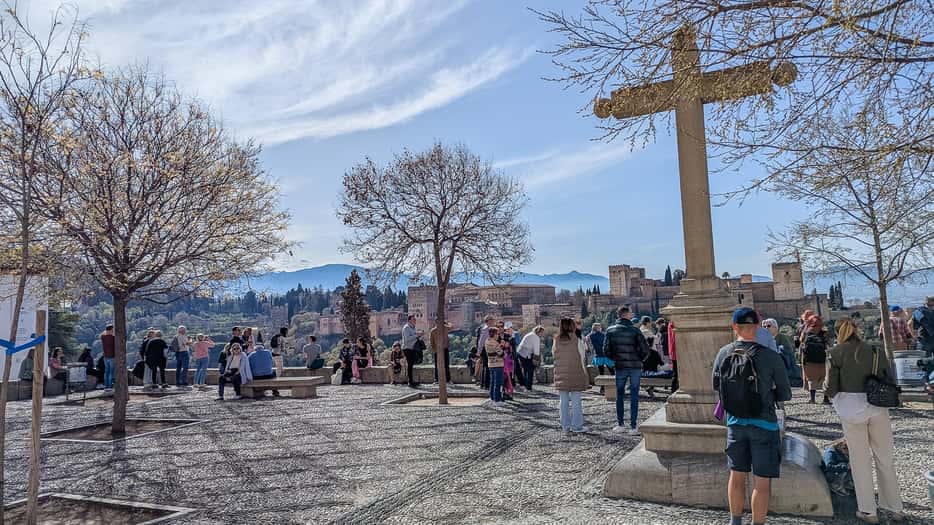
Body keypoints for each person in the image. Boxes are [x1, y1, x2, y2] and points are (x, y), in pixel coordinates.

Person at [712, 307, 792, 525]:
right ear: (757, 327)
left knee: (736, 476)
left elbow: (716, 385)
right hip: (764, 424)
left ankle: (735, 521)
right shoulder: (770, 356)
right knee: (762, 482)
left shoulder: (723, 353)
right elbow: (785, 392)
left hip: (735, 423)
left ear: (734, 327)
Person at [824, 318, 905, 524]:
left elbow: (830, 387)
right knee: (885, 458)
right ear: (857, 330)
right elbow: (889, 377)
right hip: (877, 406)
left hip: (850, 410)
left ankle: (869, 511)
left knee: (859, 460)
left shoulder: (835, 354)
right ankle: (895, 508)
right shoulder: (875, 351)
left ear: (837, 333)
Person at [604, 306, 649, 435]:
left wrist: (616, 358)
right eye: (630, 312)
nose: (632, 314)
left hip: (620, 366)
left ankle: (620, 424)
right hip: (635, 366)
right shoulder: (635, 331)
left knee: (619, 395)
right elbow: (645, 349)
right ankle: (633, 427)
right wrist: (639, 359)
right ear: (626, 315)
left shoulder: (610, 330)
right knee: (634, 395)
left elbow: (606, 350)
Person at [553, 318, 589, 432]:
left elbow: (553, 353)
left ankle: (565, 426)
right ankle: (577, 426)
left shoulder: (556, 339)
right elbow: (583, 356)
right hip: (575, 372)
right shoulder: (577, 339)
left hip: (560, 374)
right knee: (576, 401)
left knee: (563, 401)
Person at [762, 319, 802, 388]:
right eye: (764, 327)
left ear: (775, 327)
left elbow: (787, 351)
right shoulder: (765, 339)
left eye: (768, 326)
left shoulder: (782, 337)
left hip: (783, 364)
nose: (766, 328)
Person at [800, 315, 830, 404]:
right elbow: (828, 344)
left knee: (811, 379)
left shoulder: (806, 332)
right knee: (824, 378)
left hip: (809, 361)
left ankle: (812, 399)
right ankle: (826, 399)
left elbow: (801, 342)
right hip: (822, 360)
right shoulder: (824, 333)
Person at [516, 325, 543, 391]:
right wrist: (538, 361)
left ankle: (526, 385)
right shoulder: (536, 337)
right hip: (525, 354)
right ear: (539, 332)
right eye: (542, 332)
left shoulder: (531, 334)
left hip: (521, 353)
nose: (542, 334)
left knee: (526, 370)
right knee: (530, 370)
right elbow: (536, 351)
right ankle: (528, 387)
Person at [485, 327, 505, 405]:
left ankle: (492, 398)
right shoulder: (495, 343)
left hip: (490, 364)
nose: (498, 335)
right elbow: (502, 354)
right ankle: (497, 400)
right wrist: (502, 346)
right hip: (498, 364)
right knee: (498, 383)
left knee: (492, 382)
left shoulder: (487, 341)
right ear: (494, 334)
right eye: (497, 334)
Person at [476, 315, 495, 388]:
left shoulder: (489, 328)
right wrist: (479, 351)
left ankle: (484, 384)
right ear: (488, 321)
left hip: (488, 349)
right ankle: (486, 384)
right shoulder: (485, 329)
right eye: (491, 320)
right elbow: (481, 341)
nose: (493, 321)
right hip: (485, 349)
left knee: (486, 367)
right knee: (487, 367)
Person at [401, 315, 419, 388]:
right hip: (407, 348)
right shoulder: (406, 328)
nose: (415, 320)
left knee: (411, 364)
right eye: (413, 319)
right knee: (410, 364)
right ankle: (410, 381)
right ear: (409, 320)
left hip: (412, 348)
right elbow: (407, 338)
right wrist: (416, 336)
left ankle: (411, 380)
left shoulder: (413, 327)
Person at [100, 325, 115, 389]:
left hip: (105, 356)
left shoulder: (103, 337)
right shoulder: (113, 337)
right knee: (111, 372)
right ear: (111, 330)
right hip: (112, 356)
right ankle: (109, 385)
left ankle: (106, 385)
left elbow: (103, 334)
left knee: (106, 372)